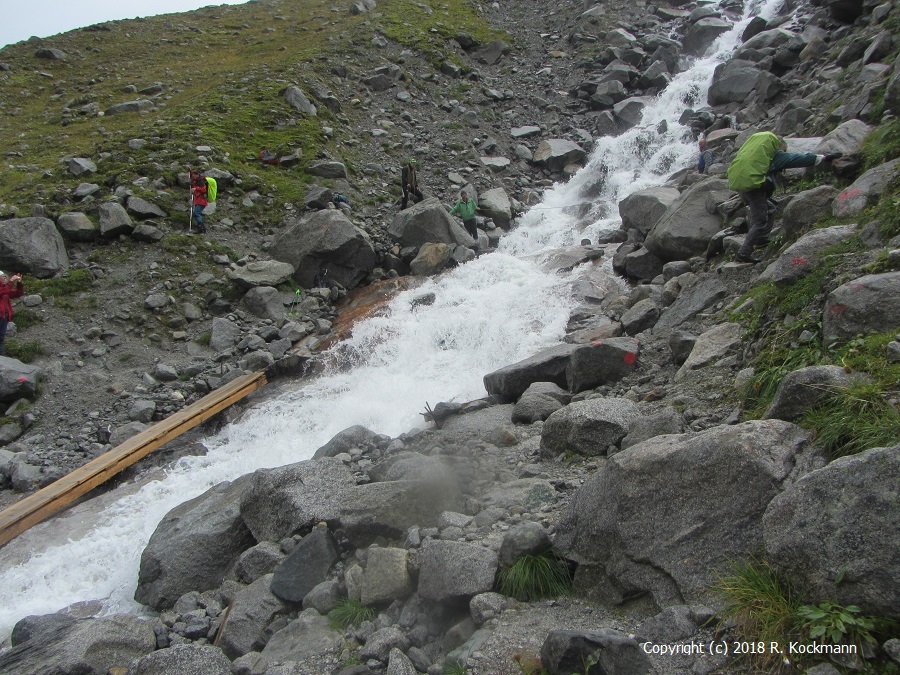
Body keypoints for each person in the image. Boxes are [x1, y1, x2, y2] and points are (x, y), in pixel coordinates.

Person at [727, 131, 841, 263]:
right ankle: (743, 253)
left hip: (744, 186)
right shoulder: (775, 155)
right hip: (755, 188)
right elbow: (798, 159)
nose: (785, 152)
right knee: (760, 221)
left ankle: (762, 240)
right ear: (778, 145)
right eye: (784, 149)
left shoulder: (752, 154)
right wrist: (824, 157)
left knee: (770, 208)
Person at [0, 271, 24, 357]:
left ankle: (2, 357)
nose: (4, 278)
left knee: (1, 338)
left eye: (4, 276)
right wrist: (11, 281)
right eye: (2, 276)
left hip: (4, 317)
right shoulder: (3, 289)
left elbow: (18, 293)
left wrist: (19, 283)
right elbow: (4, 290)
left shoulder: (4, 289)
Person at [189, 169, 208, 234]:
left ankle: (200, 228)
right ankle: (202, 229)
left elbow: (204, 189)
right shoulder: (196, 180)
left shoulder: (200, 181)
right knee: (197, 213)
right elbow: (192, 178)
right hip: (198, 200)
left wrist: (195, 188)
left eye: (195, 175)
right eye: (193, 175)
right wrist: (190, 171)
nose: (193, 176)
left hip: (201, 200)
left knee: (196, 213)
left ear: (197, 175)